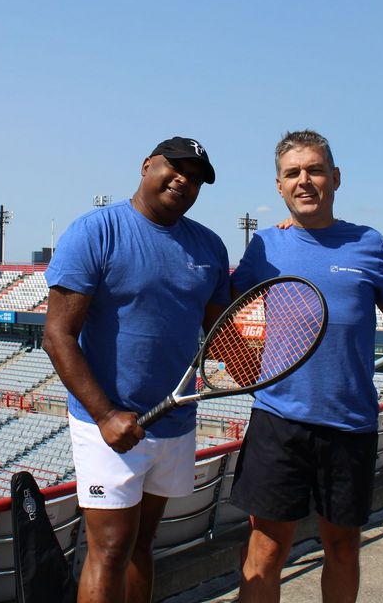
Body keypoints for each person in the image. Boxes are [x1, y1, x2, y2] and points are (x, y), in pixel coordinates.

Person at [43, 136, 230, 603]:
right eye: (175, 167)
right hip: (107, 423)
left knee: (142, 545)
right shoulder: (95, 231)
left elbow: (223, 335)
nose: (184, 180)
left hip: (174, 420)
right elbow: (57, 336)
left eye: (196, 177)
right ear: (147, 166)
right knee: (110, 548)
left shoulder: (210, 245)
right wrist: (105, 415)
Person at [228, 129, 383, 603]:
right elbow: (220, 313)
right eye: (293, 173)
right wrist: (245, 365)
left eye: (315, 170)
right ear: (279, 186)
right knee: (265, 550)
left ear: (335, 178)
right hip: (278, 421)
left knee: (342, 548)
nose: (304, 180)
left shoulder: (369, 243)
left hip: (349, 424)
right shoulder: (265, 245)